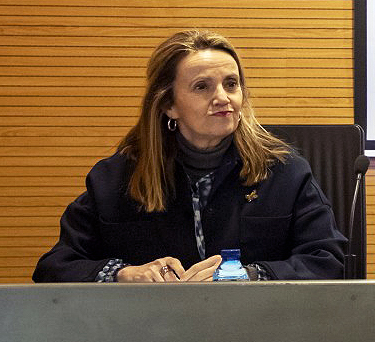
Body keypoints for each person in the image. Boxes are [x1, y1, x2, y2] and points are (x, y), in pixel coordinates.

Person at [33, 31, 346, 282]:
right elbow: (56, 265)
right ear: (169, 104)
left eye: (231, 84)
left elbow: (326, 259)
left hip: (257, 335)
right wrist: (123, 274)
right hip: (154, 338)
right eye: (202, 87)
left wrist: (249, 276)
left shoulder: (284, 171)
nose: (223, 98)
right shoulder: (117, 178)